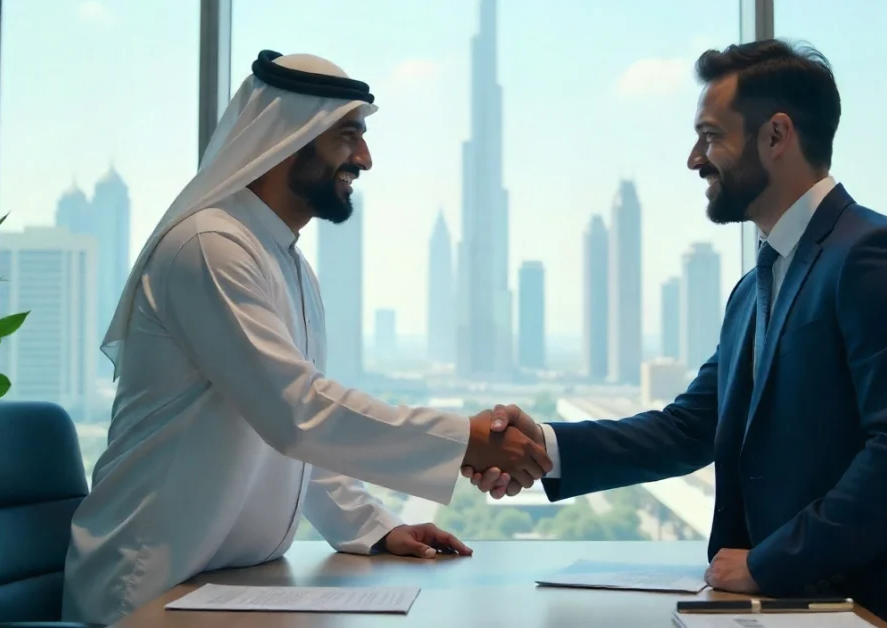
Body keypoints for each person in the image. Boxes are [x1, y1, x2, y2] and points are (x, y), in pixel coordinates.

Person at [464, 40, 887, 627]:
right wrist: (547, 446)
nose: (694, 158)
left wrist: (768, 563)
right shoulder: (756, 285)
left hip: (881, 608)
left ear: (776, 135)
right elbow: (691, 426)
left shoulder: (876, 256)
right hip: (791, 605)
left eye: (711, 136)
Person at [61, 50, 550, 624]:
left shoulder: (285, 261)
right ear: (288, 138)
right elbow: (298, 413)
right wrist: (465, 438)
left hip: (230, 588)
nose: (364, 158)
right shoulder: (210, 249)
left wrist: (376, 526)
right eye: (349, 135)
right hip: (146, 593)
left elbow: (293, 436)